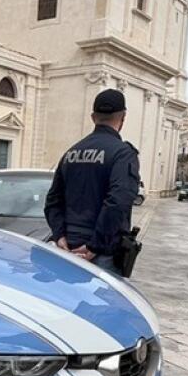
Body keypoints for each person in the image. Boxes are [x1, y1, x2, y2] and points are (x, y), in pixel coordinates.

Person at [44, 89, 141, 275]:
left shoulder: (71, 152)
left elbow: (53, 201)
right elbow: (118, 201)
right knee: (101, 304)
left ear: (93, 117)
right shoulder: (123, 153)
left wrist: (60, 236)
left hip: (68, 248)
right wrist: (94, 246)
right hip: (102, 253)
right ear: (123, 118)